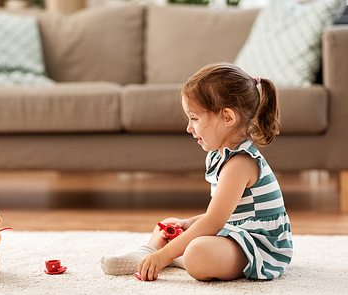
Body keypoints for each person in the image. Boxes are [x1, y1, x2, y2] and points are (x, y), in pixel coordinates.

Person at [100, 63, 293, 281]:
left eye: (195, 118)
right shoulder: (221, 154)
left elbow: (213, 221)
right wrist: (189, 223)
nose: (189, 128)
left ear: (228, 118)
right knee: (171, 223)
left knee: (198, 254)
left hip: (260, 244)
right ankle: (147, 253)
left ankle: (168, 257)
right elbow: (227, 213)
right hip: (236, 228)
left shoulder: (240, 163)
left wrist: (167, 253)